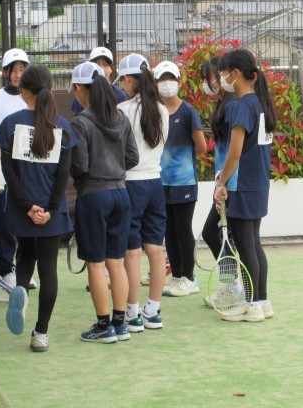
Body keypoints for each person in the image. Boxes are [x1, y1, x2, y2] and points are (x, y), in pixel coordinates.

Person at [0, 64, 76, 352]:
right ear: (50, 88)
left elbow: (8, 170)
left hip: (22, 208)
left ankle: (20, 288)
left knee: (26, 253)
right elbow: (63, 175)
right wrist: (51, 209)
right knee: (49, 268)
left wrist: (28, 206)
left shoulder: (11, 124)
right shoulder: (62, 125)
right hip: (52, 211)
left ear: (23, 90)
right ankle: (41, 333)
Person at [69, 62, 139, 343]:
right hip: (121, 193)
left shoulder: (80, 122)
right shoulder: (120, 118)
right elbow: (132, 157)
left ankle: (103, 326)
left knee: (96, 264)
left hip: (93, 195)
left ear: (79, 88)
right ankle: (120, 324)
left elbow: (80, 165)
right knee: (116, 263)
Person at [214, 49, 276, 323]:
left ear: (235, 73)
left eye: (223, 73)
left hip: (242, 185)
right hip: (259, 184)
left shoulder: (241, 106)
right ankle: (262, 301)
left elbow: (234, 152)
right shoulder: (261, 103)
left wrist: (221, 182)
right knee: (254, 244)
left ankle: (251, 305)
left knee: (245, 246)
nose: (222, 78)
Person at [117, 53, 169, 332]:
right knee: (156, 249)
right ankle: (153, 311)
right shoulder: (162, 109)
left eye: (122, 81)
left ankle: (132, 312)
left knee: (132, 251)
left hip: (131, 184)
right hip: (155, 183)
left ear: (128, 79)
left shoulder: (122, 110)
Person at [0, 48, 37, 289]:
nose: (17, 75)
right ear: (4, 72)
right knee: (5, 220)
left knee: (29, 219)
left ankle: (25, 268)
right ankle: (6, 269)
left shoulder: (33, 96)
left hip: (30, 171)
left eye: (22, 70)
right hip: (5, 170)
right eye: (13, 70)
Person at [154, 61, 207, 297]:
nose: (166, 83)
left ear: (179, 82)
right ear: (155, 83)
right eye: (162, 79)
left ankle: (189, 278)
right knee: (169, 231)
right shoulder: (154, 112)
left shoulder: (188, 112)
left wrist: (181, 161)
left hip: (184, 183)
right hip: (160, 183)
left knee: (183, 229)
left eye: (170, 78)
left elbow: (201, 147)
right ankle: (176, 276)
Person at [201, 56, 237, 280]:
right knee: (219, 233)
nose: (206, 83)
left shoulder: (232, 105)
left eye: (208, 77)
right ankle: (231, 283)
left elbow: (235, 151)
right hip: (223, 182)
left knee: (214, 232)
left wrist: (224, 183)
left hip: (230, 184)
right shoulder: (223, 103)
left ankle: (234, 284)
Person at [71, 46, 126, 114]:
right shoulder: (83, 94)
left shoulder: (120, 96)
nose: (102, 69)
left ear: (111, 69)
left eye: (106, 65)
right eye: (97, 65)